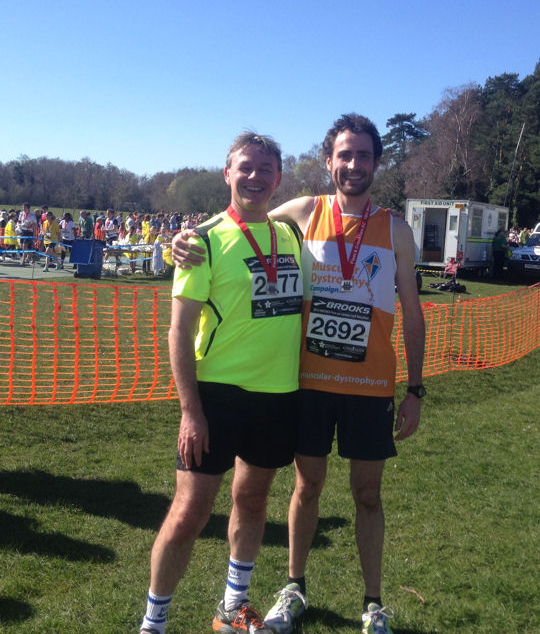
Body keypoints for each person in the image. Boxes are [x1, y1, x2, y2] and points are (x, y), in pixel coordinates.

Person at [172, 114, 426, 634]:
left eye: (364, 156)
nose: (354, 165)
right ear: (329, 160)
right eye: (345, 155)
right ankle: (294, 588)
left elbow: (414, 312)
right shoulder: (305, 211)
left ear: (377, 162)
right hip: (308, 384)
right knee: (305, 488)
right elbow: (240, 217)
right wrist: (181, 239)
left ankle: (373, 602)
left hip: (369, 386)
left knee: (368, 495)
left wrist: (416, 389)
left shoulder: (397, 229)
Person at [138, 132, 303, 634]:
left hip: (277, 395)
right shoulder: (203, 242)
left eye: (265, 169)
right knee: (189, 512)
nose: (254, 177)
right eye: (245, 167)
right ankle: (154, 622)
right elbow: (179, 331)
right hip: (217, 397)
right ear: (227, 173)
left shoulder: (291, 234)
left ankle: (232, 607)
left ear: (278, 178)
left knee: (252, 501)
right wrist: (191, 411)